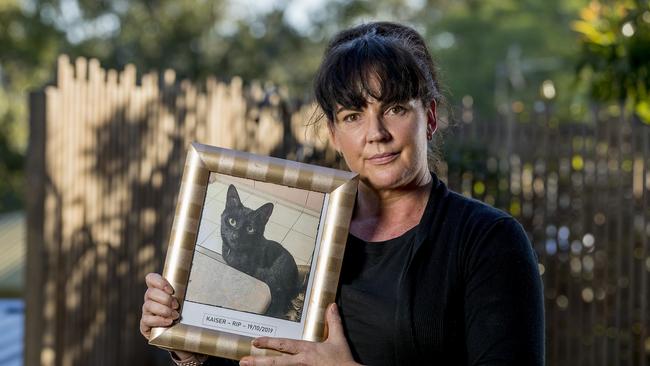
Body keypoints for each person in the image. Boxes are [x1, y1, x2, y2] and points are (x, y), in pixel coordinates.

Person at [140, 21, 544, 366]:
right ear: (334, 134)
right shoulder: (318, 234)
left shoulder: (488, 240)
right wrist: (186, 341)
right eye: (353, 116)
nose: (376, 134)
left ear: (430, 117)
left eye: (395, 109)